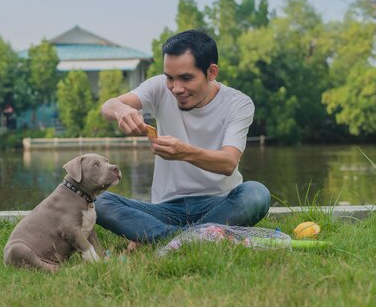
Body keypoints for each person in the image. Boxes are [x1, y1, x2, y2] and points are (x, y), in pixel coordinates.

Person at [95, 29, 270, 247]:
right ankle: (193, 238)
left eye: (186, 78)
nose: (176, 88)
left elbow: (228, 162)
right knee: (99, 202)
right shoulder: (159, 87)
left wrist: (184, 152)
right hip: (165, 208)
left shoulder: (238, 103)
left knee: (256, 194)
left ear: (212, 72)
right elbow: (107, 106)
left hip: (220, 203)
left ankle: (163, 238)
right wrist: (121, 110)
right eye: (170, 78)